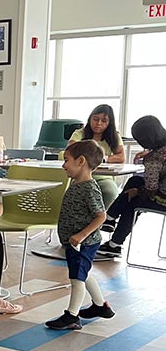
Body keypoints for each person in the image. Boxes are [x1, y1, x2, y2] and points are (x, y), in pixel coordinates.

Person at [46, 140, 115, 330]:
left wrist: (82, 235)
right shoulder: (77, 183)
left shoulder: (89, 188)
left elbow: (101, 216)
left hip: (83, 243)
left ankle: (72, 316)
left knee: (76, 278)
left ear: (81, 161)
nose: (63, 165)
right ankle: (101, 306)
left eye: (66, 160)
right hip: (75, 242)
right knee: (82, 273)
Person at [98, 115, 166, 257]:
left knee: (133, 201)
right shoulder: (159, 151)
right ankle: (110, 219)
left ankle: (113, 243)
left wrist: (136, 192)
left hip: (163, 198)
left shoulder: (154, 159)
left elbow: (151, 189)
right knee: (135, 181)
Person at [67, 104, 125, 208]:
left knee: (109, 191)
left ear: (109, 123)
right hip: (81, 175)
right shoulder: (80, 133)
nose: (98, 123)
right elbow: (71, 150)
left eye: (104, 121)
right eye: (95, 119)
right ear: (90, 119)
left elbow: (121, 157)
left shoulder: (114, 136)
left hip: (104, 176)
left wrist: (103, 158)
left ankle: (101, 219)